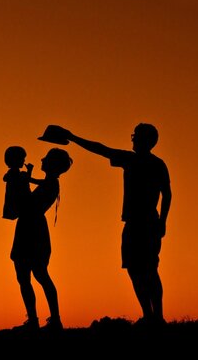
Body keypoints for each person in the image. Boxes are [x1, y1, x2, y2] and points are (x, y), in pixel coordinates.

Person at [59, 123, 171, 327]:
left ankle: (156, 317)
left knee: (147, 270)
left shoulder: (142, 162)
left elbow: (101, 149)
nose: (133, 139)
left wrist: (73, 137)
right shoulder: (144, 162)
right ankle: (150, 316)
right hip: (138, 223)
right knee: (137, 270)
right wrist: (162, 221)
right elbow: (101, 149)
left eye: (136, 136)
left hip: (144, 223)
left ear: (146, 140)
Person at [11, 148, 72, 332]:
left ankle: (49, 319)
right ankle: (40, 319)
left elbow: (29, 202)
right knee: (30, 276)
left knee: (36, 275)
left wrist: (22, 181)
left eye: (46, 158)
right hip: (32, 228)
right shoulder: (50, 183)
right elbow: (36, 185)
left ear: (53, 164)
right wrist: (27, 177)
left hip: (32, 230)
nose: (42, 159)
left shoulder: (51, 184)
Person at [2, 145, 37, 220]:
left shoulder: (18, 174)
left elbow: (25, 180)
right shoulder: (14, 174)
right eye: (22, 158)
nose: (24, 160)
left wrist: (29, 172)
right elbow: (26, 181)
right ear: (16, 160)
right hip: (17, 204)